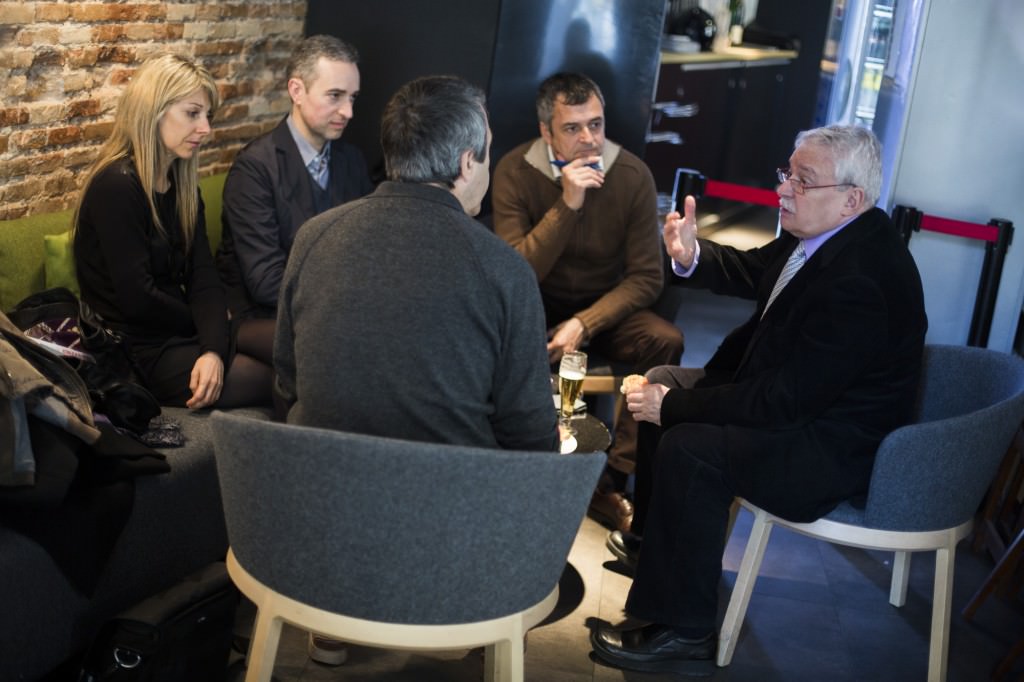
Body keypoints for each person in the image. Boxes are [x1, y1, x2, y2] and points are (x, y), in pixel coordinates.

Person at [589, 124, 928, 674]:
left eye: (803, 180)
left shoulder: (862, 280)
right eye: (786, 174)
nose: (784, 189)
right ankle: (660, 552)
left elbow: (784, 403)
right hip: (796, 408)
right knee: (663, 382)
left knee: (689, 443)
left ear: (851, 198)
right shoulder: (828, 234)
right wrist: (692, 255)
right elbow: (757, 270)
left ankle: (685, 631)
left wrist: (672, 409)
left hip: (826, 448)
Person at [274, 74, 560, 666]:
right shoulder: (504, 271)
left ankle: (334, 624)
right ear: (464, 162)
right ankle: (472, 632)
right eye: (486, 153)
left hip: (318, 534)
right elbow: (529, 434)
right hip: (445, 552)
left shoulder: (313, 239)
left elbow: (289, 382)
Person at [492, 72, 684, 533]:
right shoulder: (515, 170)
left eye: (595, 125)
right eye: (572, 128)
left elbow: (646, 277)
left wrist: (585, 322)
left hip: (603, 311)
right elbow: (516, 272)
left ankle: (613, 480)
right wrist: (568, 204)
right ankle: (518, 472)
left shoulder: (632, 175)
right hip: (533, 308)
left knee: (665, 342)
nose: (588, 140)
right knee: (495, 337)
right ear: (546, 132)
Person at [74, 54, 273, 409]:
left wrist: (212, 347)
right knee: (277, 378)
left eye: (207, 116)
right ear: (154, 111)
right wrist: (211, 329)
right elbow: (140, 300)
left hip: (179, 333)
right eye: (192, 113)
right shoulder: (117, 186)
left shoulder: (181, 184)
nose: (205, 129)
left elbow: (203, 276)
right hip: (136, 350)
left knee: (296, 348)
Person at [216, 34, 373, 325]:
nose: (348, 112)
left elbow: (366, 248)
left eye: (352, 98)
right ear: (297, 91)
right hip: (263, 316)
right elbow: (266, 281)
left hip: (327, 310)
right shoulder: (254, 169)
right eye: (335, 96)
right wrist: (345, 304)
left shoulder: (352, 160)